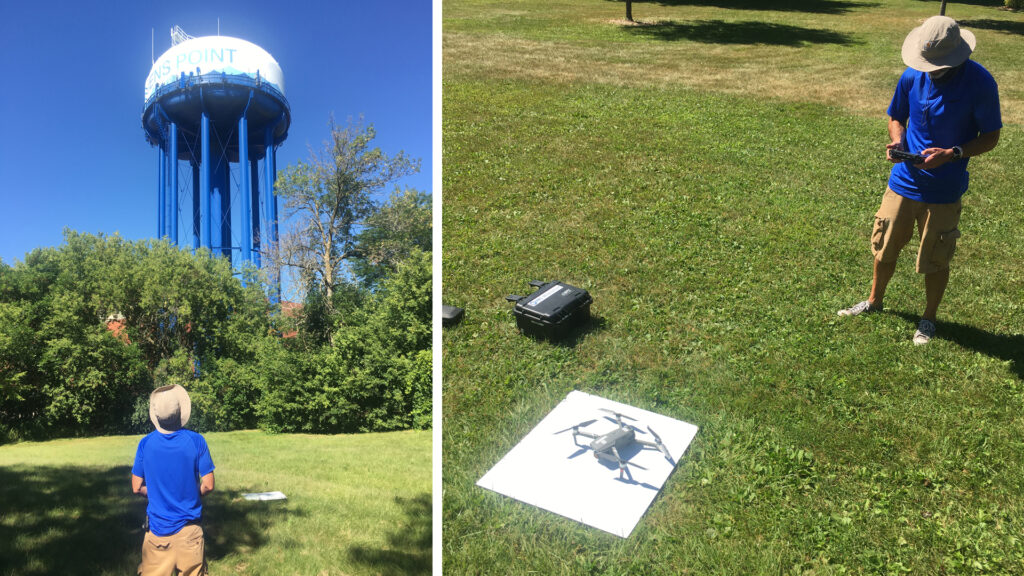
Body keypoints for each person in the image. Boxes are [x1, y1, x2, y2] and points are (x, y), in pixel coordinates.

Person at [838, 15, 1001, 345]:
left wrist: (953, 153)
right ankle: (873, 301)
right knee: (883, 246)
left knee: (936, 257)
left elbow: (991, 136)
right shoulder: (913, 74)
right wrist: (897, 139)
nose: (929, 70)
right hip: (903, 180)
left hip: (944, 189)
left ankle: (928, 320)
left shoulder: (981, 83)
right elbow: (896, 115)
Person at [132, 384, 216, 576]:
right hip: (190, 532)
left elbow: (136, 487)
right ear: (180, 412)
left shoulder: (145, 444)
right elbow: (209, 485)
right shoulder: (197, 441)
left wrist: (152, 492)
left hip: (157, 534)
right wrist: (196, 494)